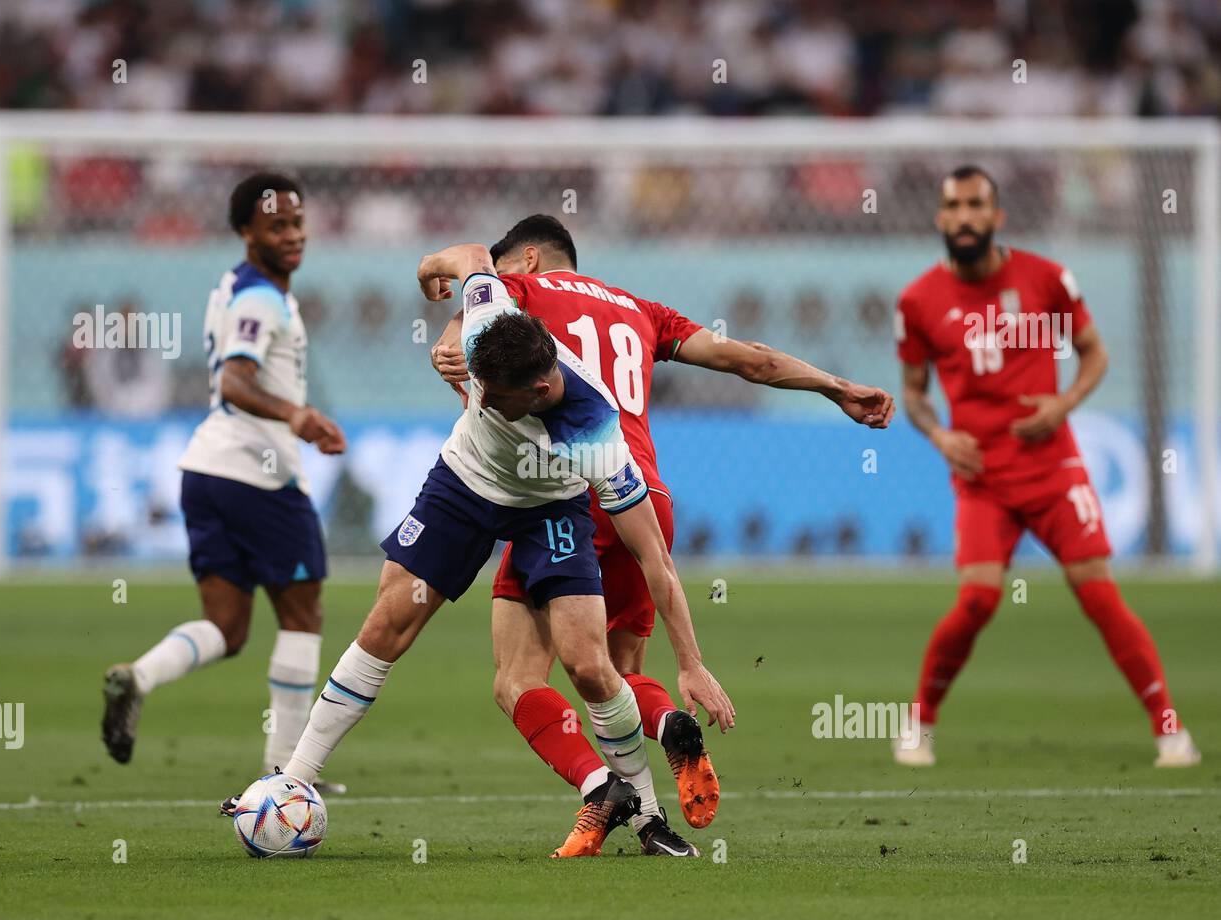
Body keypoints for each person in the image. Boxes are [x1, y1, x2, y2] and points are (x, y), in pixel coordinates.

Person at [228, 243, 732, 858]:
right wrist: (426, 276)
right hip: (464, 486)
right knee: (389, 623)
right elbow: (468, 254)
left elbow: (656, 559)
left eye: (497, 395)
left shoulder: (596, 435)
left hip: (553, 505)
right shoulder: (489, 319)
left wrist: (689, 661)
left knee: (589, 665)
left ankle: (649, 819)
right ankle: (296, 776)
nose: (483, 401)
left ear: (543, 386)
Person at [430, 215, 894, 852]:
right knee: (616, 676)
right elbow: (748, 361)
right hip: (647, 500)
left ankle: (606, 796)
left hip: (566, 496)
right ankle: (661, 783)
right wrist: (837, 386)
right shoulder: (641, 311)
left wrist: (450, 336)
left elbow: (475, 305)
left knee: (519, 680)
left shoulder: (522, 296)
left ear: (529, 262)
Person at [894, 164, 1199, 767]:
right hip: (982, 476)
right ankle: (919, 723)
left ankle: (1170, 729)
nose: (964, 216)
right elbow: (913, 391)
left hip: (1053, 468)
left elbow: (1095, 355)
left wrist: (1065, 402)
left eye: (976, 204)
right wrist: (939, 436)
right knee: (978, 601)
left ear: (997, 215)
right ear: (940, 217)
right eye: (953, 205)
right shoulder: (919, 300)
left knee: (1100, 595)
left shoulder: (1047, 280)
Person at [102, 173, 351, 793]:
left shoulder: (233, 288)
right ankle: (285, 777)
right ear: (247, 232)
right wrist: (296, 415)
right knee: (302, 614)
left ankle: (139, 676)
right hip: (255, 474)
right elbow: (237, 380)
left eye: (297, 223)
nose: (293, 236)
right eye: (277, 226)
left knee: (228, 626)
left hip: (205, 472)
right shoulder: (260, 297)